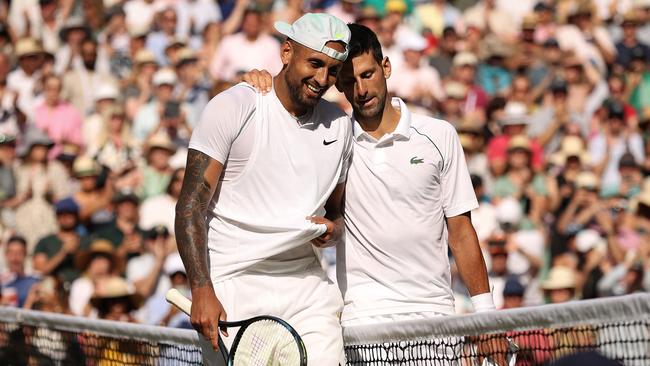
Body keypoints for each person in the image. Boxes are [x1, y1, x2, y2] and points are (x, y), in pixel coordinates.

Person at [244, 23, 502, 363]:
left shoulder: (440, 135)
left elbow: (461, 232)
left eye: (367, 75)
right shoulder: (331, 139)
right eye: (349, 82)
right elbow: (281, 118)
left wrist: (487, 317)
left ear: (386, 68)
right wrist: (261, 84)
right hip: (363, 322)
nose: (361, 89)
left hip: (434, 318)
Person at [175, 13, 352, 365]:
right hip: (234, 287)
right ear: (287, 52)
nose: (322, 78)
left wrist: (334, 230)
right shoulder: (233, 106)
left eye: (332, 70)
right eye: (315, 63)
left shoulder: (340, 125)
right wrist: (201, 289)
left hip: (309, 292)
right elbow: (190, 205)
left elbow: (337, 212)